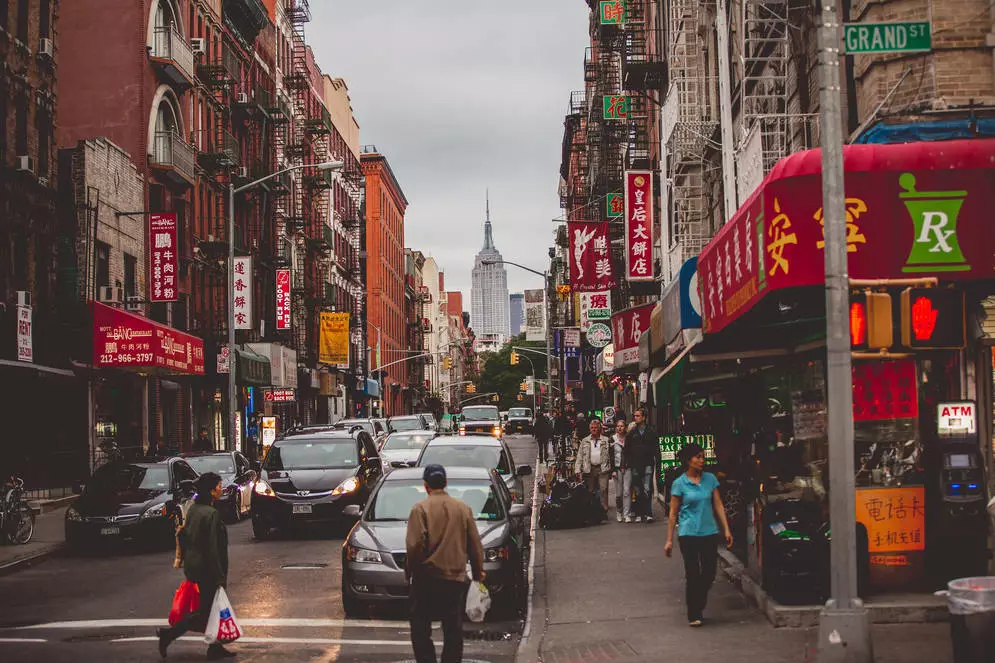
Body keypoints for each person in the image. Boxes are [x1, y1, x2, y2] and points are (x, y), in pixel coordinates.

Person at [406, 464, 485, 663]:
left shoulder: (420, 509)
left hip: (427, 577)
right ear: (446, 483)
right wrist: (477, 573)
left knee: (420, 626)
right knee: (452, 625)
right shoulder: (462, 509)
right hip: (454, 577)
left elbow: (415, 545)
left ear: (425, 485)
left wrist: (410, 571)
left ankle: (427, 660)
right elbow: (475, 545)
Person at [157, 472, 233, 660]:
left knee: (212, 609)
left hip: (196, 566)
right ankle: (168, 635)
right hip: (208, 570)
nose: (220, 489)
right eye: (218, 486)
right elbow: (213, 548)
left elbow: (186, 537)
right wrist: (219, 576)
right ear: (211, 490)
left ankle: (215, 647)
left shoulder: (194, 509)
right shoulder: (211, 514)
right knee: (205, 610)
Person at [664, 443, 734, 627]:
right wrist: (669, 540)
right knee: (693, 573)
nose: (702, 460)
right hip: (688, 534)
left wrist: (726, 529)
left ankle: (698, 602)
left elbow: (718, 504)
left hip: (709, 532)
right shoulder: (679, 483)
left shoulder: (710, 479)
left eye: (703, 456)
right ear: (689, 460)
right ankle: (694, 613)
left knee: (709, 572)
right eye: (698, 457)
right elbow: (673, 513)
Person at [625, 407, 660, 523]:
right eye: (635, 415)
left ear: (644, 417)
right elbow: (627, 449)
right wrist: (628, 463)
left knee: (647, 488)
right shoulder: (631, 433)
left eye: (638, 416)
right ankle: (640, 513)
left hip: (648, 462)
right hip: (635, 463)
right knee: (637, 488)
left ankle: (648, 513)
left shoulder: (651, 432)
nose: (635, 418)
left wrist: (657, 460)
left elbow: (656, 447)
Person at [575, 418, 610, 515]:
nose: (594, 429)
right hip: (589, 469)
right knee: (590, 491)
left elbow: (610, 455)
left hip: (602, 468)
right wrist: (577, 469)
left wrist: (612, 469)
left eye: (595, 427)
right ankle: (591, 512)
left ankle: (603, 512)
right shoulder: (585, 441)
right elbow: (580, 456)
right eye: (592, 428)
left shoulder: (606, 440)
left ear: (599, 428)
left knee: (603, 489)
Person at [611, 419, 632, 523]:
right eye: (618, 426)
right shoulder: (612, 439)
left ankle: (626, 514)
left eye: (622, 426)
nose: (620, 428)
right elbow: (611, 455)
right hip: (617, 468)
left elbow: (631, 453)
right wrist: (613, 470)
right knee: (619, 493)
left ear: (625, 427)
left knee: (627, 491)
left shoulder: (629, 438)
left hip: (628, 468)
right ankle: (619, 512)